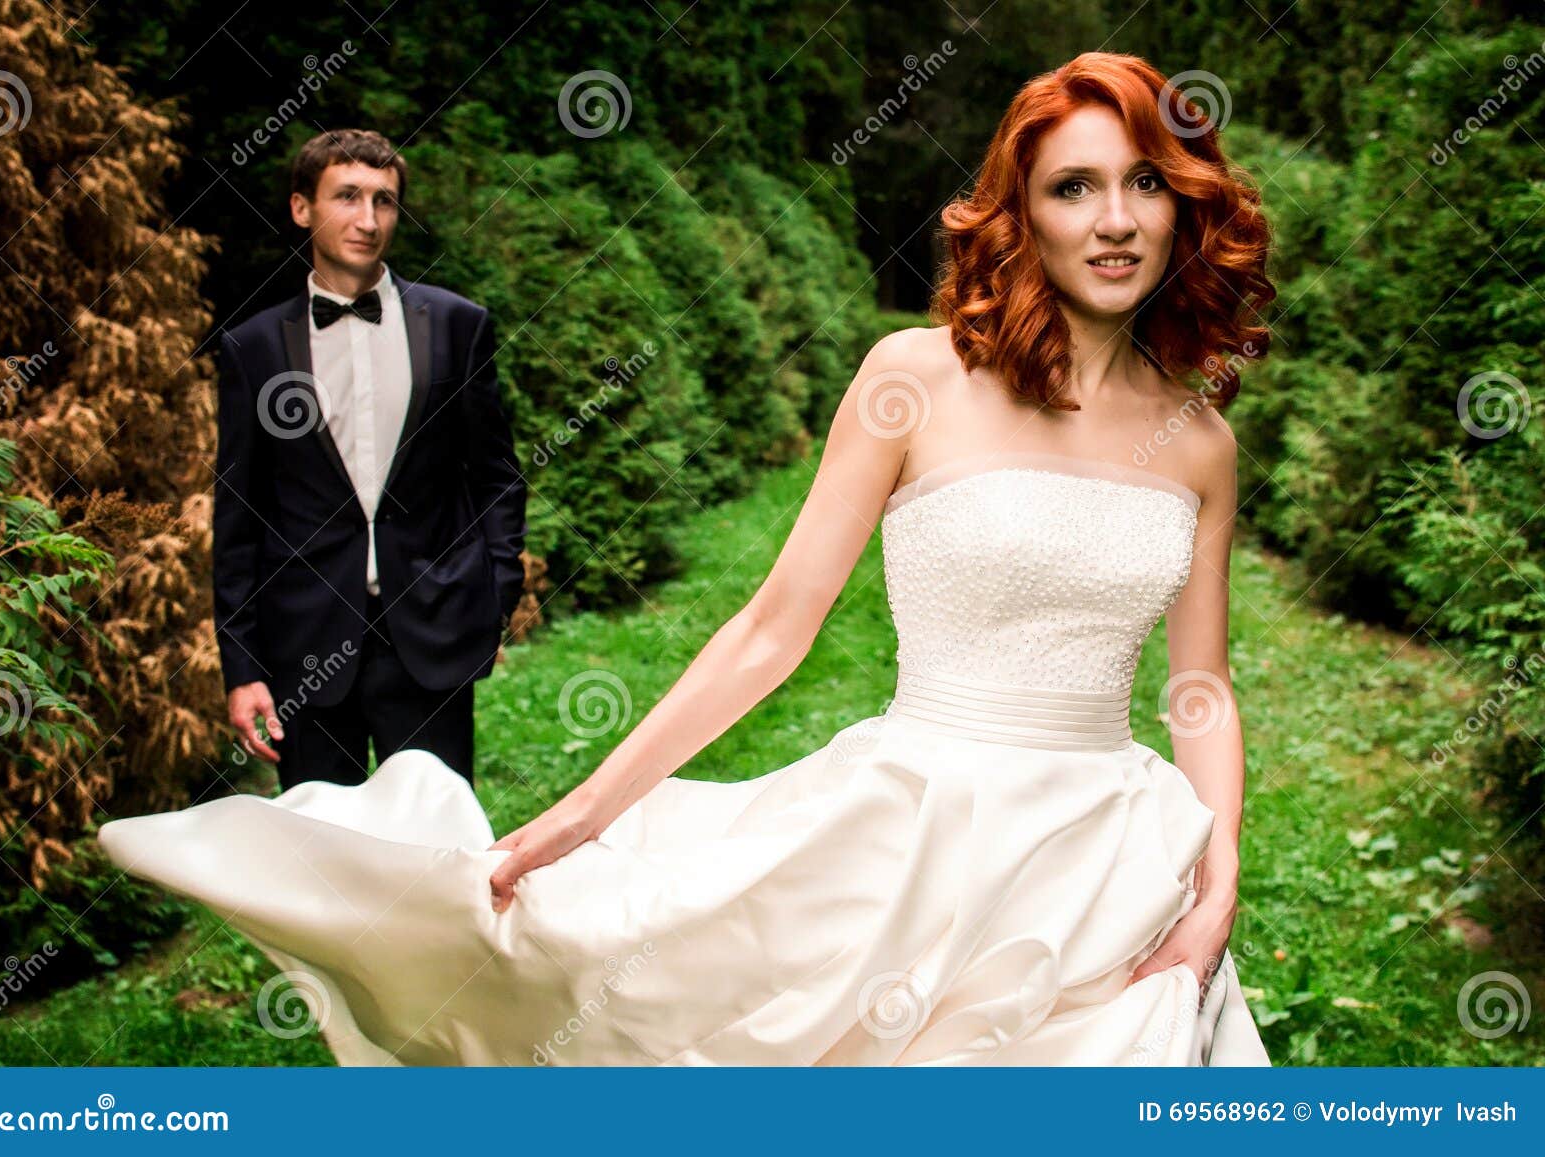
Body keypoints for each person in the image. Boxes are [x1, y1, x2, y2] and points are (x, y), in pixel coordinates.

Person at [101, 52, 1273, 1065]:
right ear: (1025, 212)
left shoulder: (1201, 441)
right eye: (1075, 186)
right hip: (915, 834)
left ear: (1186, 204)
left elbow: (1200, 687)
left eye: (1145, 183)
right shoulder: (913, 380)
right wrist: (584, 817)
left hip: (1114, 863)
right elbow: (772, 627)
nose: (1114, 219)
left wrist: (1214, 880)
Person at [210, 129, 527, 789]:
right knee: (324, 865)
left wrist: (494, 596)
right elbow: (238, 514)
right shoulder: (255, 347)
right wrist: (242, 666)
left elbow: (496, 477)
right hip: (304, 645)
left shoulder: (457, 326)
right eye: (347, 197)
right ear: (302, 208)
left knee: (435, 851)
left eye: (384, 200)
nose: (368, 219)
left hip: (430, 636)